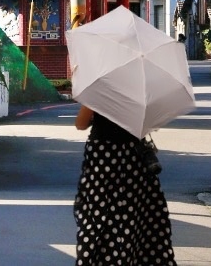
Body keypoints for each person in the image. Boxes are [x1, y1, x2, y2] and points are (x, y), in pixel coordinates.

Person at [73, 105, 176, 265]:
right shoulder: (140, 94)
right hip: (134, 156)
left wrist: (96, 119)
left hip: (102, 156)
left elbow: (80, 124)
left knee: (99, 213)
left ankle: (102, 258)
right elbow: (150, 125)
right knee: (137, 214)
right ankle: (133, 258)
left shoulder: (97, 92)